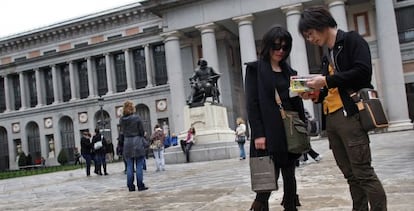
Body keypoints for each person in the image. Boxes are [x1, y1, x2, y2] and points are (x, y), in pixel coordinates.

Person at [298, 6, 387, 210]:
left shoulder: (352, 40)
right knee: (350, 176)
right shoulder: (325, 55)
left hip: (351, 116)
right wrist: (313, 94)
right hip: (332, 119)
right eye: (307, 36)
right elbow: (327, 89)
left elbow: (363, 72)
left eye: (310, 33)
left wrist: (327, 81)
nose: (310, 39)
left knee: (363, 173)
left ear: (321, 25)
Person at [245, 25, 304, 211]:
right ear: (268, 46)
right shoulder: (255, 70)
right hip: (268, 132)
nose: (280, 51)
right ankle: (260, 207)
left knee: (289, 175)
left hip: (289, 131)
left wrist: (303, 125)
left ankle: (290, 206)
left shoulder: (290, 72)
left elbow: (296, 103)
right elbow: (252, 104)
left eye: (285, 47)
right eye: (276, 46)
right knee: (266, 178)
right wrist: (258, 134)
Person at [119, 100, 148, 192]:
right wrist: (143, 134)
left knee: (129, 166)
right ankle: (140, 185)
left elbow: (122, 132)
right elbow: (142, 131)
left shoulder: (122, 120)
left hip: (127, 142)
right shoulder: (137, 118)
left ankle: (130, 186)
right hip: (137, 141)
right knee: (139, 164)